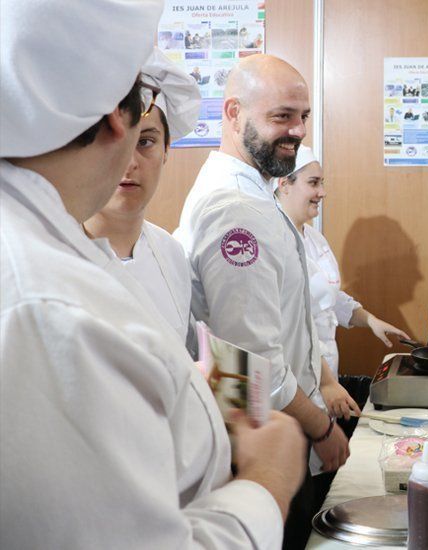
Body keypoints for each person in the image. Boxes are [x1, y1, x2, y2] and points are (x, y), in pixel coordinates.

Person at [0, 2, 305, 547]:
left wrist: (236, 412)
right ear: (118, 116)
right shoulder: (47, 304)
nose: (136, 163)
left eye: (153, 144)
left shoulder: (160, 252)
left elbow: (197, 352)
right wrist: (269, 479)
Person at [174, 54, 351, 548]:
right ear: (233, 113)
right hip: (259, 445)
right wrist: (321, 429)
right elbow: (249, 363)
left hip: (266, 435)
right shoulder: (236, 210)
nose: (296, 130)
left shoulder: (258, 195)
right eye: (281, 117)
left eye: (303, 116)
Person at [83, 48, 200, 343]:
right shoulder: (56, 252)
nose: (129, 161)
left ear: (166, 152)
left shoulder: (172, 254)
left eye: (146, 142)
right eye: (111, 141)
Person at [276, 146, 409, 377]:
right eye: (313, 183)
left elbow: (327, 297)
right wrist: (326, 384)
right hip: (296, 374)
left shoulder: (314, 237)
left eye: (322, 183)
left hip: (325, 367)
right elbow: (284, 326)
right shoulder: (275, 240)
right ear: (284, 184)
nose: (322, 192)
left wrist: (370, 320)